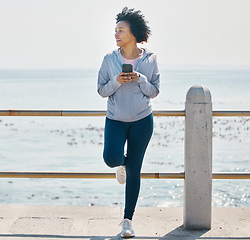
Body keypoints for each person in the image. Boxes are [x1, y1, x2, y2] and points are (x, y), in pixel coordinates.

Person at [97, 7, 160, 238]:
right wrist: (117, 80)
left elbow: (154, 91)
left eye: (121, 30)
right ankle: (122, 164)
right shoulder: (109, 60)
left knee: (136, 170)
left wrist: (140, 78)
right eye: (115, 30)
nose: (116, 34)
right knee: (111, 158)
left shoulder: (150, 59)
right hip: (115, 120)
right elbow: (101, 90)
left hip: (143, 121)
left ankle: (127, 221)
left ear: (133, 33)